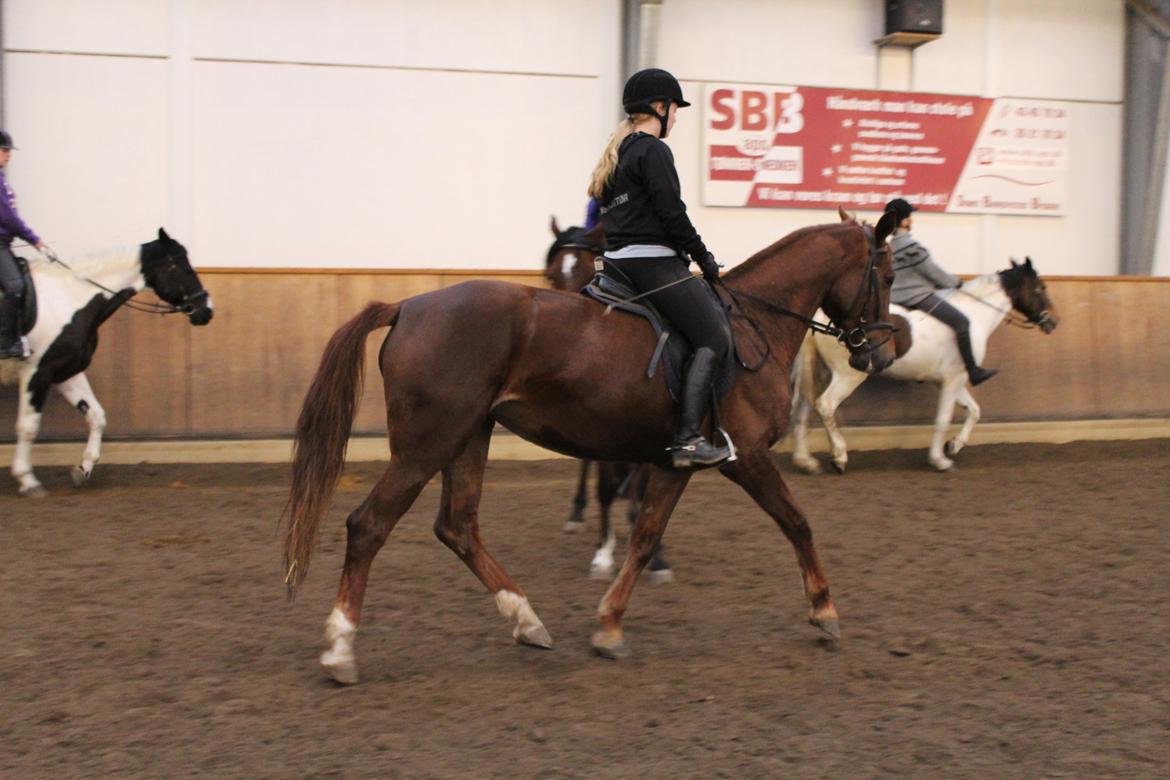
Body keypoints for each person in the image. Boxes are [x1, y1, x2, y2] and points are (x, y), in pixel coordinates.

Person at [588, 67, 730, 468]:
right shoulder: (653, 151)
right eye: (675, 109)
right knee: (714, 336)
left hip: (615, 267)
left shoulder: (616, 155)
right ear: (660, 107)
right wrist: (703, 258)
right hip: (652, 265)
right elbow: (672, 213)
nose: (677, 117)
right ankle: (687, 438)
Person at [885, 198, 997, 385]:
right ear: (904, 221)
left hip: (894, 299)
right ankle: (973, 371)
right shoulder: (913, 248)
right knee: (962, 322)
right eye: (909, 216)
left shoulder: (887, 248)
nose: (912, 220)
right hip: (917, 297)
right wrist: (958, 284)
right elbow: (933, 273)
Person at [0, 130, 49, 360]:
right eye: (4, 150)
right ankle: (6, 342)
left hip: (4, 244)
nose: (8, 155)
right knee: (15, 285)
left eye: (8, 151)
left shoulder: (2, 180)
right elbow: (8, 218)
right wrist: (34, 240)